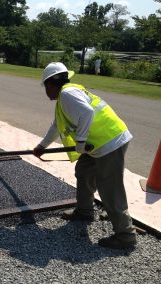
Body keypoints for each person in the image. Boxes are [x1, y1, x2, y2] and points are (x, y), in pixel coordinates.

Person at [33, 62, 136, 249]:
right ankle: (85, 211)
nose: (45, 91)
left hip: (109, 142)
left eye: (45, 87)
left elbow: (87, 113)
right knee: (84, 170)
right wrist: (42, 146)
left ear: (50, 83)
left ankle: (125, 235)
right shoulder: (65, 97)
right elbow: (57, 125)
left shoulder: (67, 94)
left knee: (109, 188)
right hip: (98, 144)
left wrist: (80, 143)